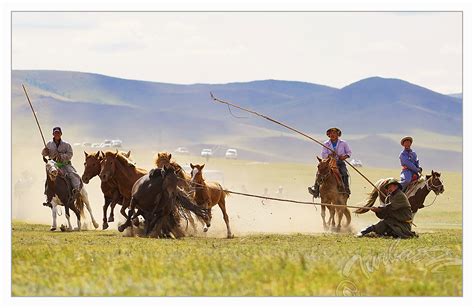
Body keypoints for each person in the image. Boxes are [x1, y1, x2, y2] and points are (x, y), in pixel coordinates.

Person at [41, 127, 82, 207]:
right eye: (55, 133)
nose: (57, 134)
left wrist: (62, 156)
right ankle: (48, 198)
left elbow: (70, 154)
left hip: (65, 164)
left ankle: (76, 190)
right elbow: (44, 153)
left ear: (61, 134)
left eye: (58, 133)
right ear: (53, 134)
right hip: (53, 165)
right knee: (48, 179)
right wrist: (44, 152)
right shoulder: (49, 144)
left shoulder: (66, 145)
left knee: (73, 174)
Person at [308, 127, 352, 198]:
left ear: (338, 134)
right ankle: (316, 190)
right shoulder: (326, 143)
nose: (332, 134)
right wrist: (330, 155)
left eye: (334, 133)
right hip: (329, 163)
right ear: (328, 135)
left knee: (344, 173)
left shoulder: (343, 143)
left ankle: (346, 190)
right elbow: (323, 154)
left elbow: (349, 152)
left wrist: (344, 157)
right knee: (319, 172)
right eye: (330, 133)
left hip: (339, 162)